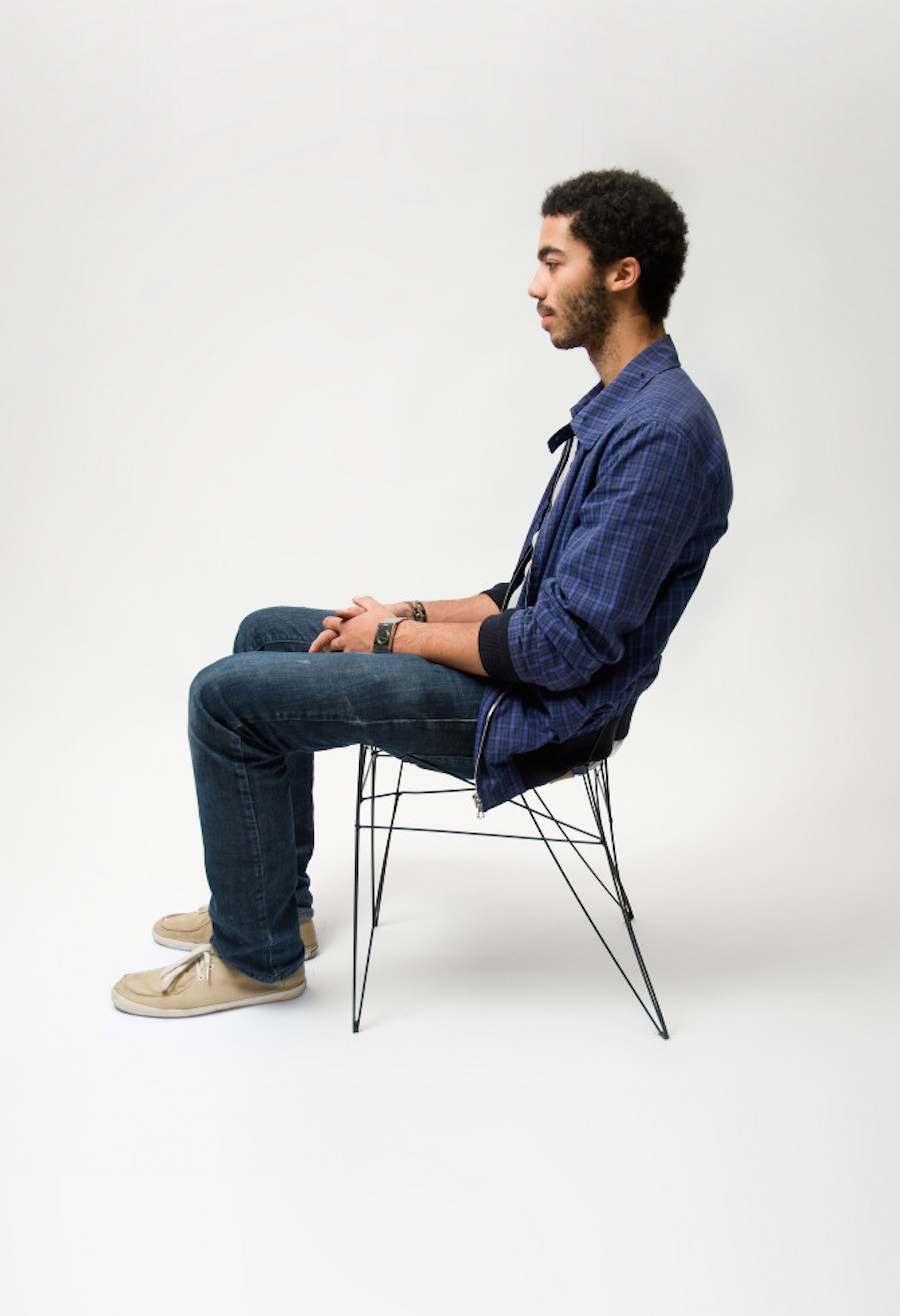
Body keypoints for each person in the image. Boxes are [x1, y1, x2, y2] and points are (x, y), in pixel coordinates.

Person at [112, 168, 732, 1018]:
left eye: (554, 262)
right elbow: (524, 597)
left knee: (223, 700)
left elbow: (560, 649)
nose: (535, 284)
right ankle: (272, 912)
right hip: (522, 679)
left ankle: (255, 964)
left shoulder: (660, 432)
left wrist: (386, 639)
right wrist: (402, 613)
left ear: (622, 274)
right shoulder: (625, 406)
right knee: (264, 633)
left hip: (535, 714)